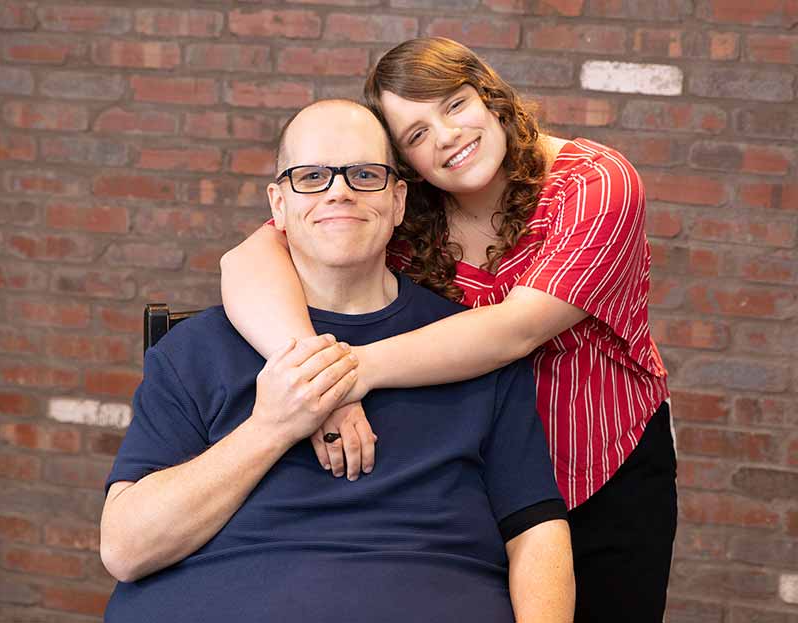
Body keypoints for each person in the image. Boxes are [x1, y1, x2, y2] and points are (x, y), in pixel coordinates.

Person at [220, 37, 677, 622]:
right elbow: (248, 258)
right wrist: (313, 378)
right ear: (405, 164)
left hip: (603, 463)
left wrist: (340, 377)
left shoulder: (596, 184)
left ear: (489, 96)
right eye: (415, 134)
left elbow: (513, 331)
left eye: (454, 106)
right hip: (476, 475)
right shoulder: (404, 206)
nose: (446, 136)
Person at [100, 99, 575, 623]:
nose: (338, 190)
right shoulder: (195, 350)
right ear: (277, 205)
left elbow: (536, 532)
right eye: (311, 176)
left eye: (364, 174)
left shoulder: (469, 347)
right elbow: (126, 549)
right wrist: (273, 425)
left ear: (398, 202)